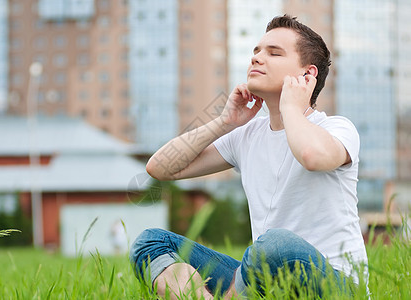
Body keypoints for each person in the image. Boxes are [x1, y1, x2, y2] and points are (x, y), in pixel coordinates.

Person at [130, 15, 368, 299]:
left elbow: (311, 156)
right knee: (152, 242)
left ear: (307, 75)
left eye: (273, 53)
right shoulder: (246, 135)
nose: (256, 58)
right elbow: (161, 168)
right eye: (256, 51)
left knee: (276, 245)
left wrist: (290, 107)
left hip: (335, 286)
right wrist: (224, 122)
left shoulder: (337, 128)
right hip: (263, 280)